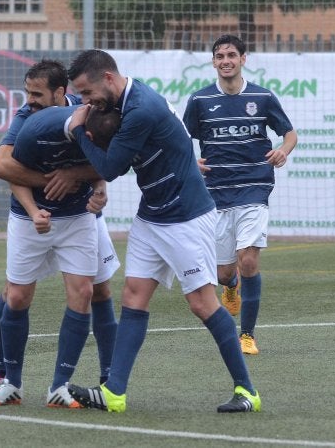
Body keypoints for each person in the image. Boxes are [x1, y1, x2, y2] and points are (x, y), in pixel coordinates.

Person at [65, 49, 261, 414]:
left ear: (108, 78)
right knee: (134, 295)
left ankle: (247, 391)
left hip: (186, 217)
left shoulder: (141, 109)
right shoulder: (121, 103)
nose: (84, 101)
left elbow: (110, 168)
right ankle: (114, 393)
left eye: (87, 93)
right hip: (153, 215)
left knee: (202, 304)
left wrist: (77, 131)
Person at [0, 60, 121, 408]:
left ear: (60, 93)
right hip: (30, 219)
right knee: (17, 296)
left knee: (88, 290)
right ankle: (8, 379)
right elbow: (6, 169)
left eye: (37, 94)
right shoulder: (26, 120)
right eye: (27, 93)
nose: (30, 100)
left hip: (79, 218)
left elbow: (103, 158)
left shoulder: (88, 114)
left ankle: (64, 384)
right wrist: (44, 194)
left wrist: (96, 185)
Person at [183, 34, 298, 355]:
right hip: (215, 194)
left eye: (231, 55)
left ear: (243, 59)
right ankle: (230, 286)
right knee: (224, 273)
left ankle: (247, 335)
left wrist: (283, 151)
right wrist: (190, 161)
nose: (225, 61)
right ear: (213, 62)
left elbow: (289, 133)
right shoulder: (200, 101)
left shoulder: (261, 97)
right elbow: (180, 138)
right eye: (220, 56)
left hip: (254, 188)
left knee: (248, 259)